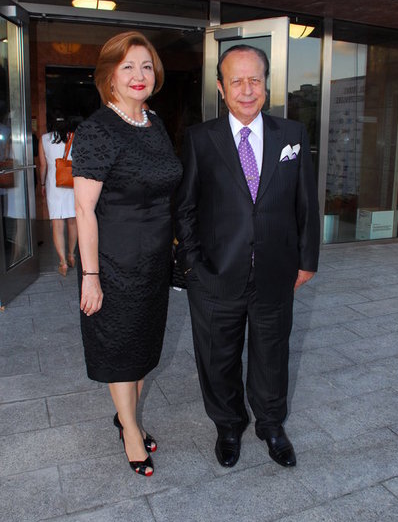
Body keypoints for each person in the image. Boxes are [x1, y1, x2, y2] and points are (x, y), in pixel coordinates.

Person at [174, 45, 320, 469]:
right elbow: (184, 207)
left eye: (255, 79)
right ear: (221, 88)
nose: (247, 89)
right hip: (215, 273)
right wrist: (193, 265)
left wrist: (307, 260)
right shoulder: (201, 139)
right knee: (217, 357)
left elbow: (306, 202)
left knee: (272, 355)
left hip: (276, 271)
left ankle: (271, 425)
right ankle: (228, 425)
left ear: (266, 84)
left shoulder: (291, 135)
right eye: (236, 81)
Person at [72, 31, 182, 477]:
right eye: (128, 67)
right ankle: (131, 430)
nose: (139, 75)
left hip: (154, 260)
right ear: (110, 76)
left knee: (142, 344)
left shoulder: (154, 123)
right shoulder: (97, 130)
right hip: (114, 261)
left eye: (147, 66)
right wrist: (90, 276)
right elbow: (84, 209)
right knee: (120, 347)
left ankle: (126, 416)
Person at [38, 120, 77, 276]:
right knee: (73, 221)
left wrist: (42, 184)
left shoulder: (44, 139)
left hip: (53, 183)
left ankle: (63, 262)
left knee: (57, 224)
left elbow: (43, 165)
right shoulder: (74, 137)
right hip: (71, 182)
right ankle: (71, 255)